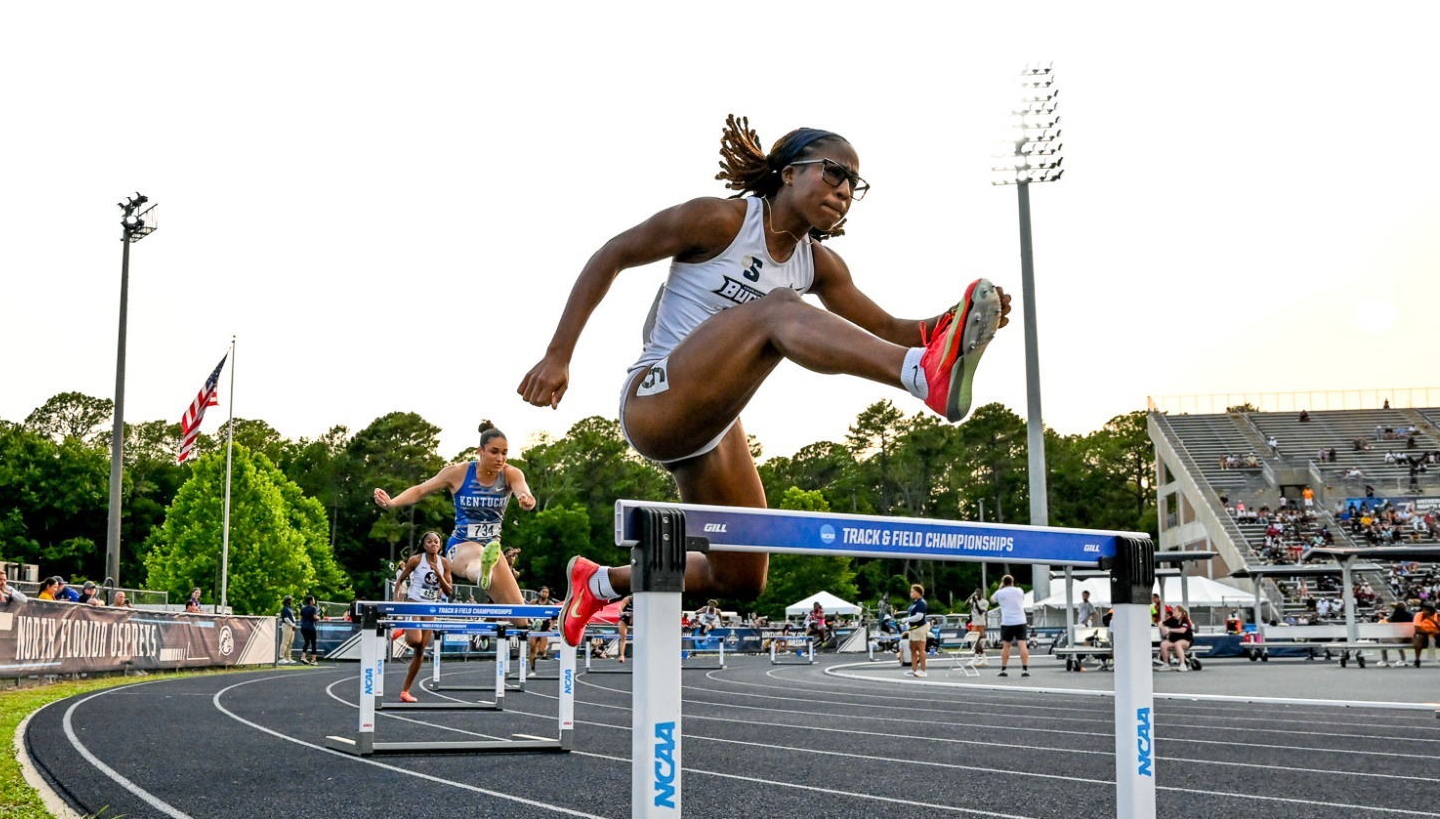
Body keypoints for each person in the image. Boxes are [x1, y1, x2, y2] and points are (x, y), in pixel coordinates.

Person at [519, 117, 1011, 644]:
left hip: (714, 429)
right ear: (790, 171)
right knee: (778, 309)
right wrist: (557, 354)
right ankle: (920, 375)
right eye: (834, 172)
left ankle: (597, 582)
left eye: (854, 184)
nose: (844, 190)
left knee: (741, 577)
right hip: (655, 398)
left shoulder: (818, 264)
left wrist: (963, 319)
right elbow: (612, 254)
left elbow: (890, 329)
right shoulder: (719, 220)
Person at [372, 421, 537, 606]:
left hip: (493, 550)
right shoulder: (458, 473)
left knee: (519, 614)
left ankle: (488, 573)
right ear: (480, 451)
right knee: (478, 556)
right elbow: (420, 490)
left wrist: (526, 499)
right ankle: (483, 572)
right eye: (494, 451)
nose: (500, 458)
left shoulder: (510, 474)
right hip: (460, 547)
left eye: (504, 453)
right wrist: (392, 502)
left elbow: (523, 491)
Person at [392, 531, 456, 702]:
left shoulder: (444, 564)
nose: (433, 544)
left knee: (420, 650)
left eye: (436, 541)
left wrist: (439, 575)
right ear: (424, 544)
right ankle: (405, 627)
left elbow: (449, 591)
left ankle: (405, 691)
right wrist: (396, 600)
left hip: (431, 608)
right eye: (429, 541)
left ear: (440, 544)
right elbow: (400, 580)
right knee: (413, 641)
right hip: (415, 602)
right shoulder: (416, 560)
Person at [992, 575, 1030, 677]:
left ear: (1003, 582)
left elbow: (992, 600)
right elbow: (1022, 598)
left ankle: (1004, 669)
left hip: (1007, 622)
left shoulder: (1000, 593)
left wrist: (1000, 588)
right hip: (1020, 621)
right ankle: (1025, 669)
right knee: (1022, 645)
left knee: (1006, 647)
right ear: (1012, 581)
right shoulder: (1019, 591)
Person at [904, 584, 931, 678]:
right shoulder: (914, 603)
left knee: (921, 649)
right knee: (913, 649)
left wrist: (907, 620)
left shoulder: (921, 603)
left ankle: (923, 670)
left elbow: (919, 616)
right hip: (912, 629)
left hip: (919, 628)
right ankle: (913, 668)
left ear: (918, 592)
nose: (911, 593)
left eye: (912, 591)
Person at [1159, 605, 1195, 670]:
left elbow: (1182, 630)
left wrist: (1170, 630)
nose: (1173, 611)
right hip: (1174, 640)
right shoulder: (1172, 619)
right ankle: (1166, 665)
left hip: (1186, 640)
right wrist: (1163, 628)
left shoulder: (1185, 620)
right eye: (1173, 610)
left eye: (1175, 610)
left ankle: (1183, 665)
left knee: (1178, 644)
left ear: (1180, 612)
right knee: (1163, 644)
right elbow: (1161, 623)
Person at [1415, 600, 1439, 669]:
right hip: (1423, 635)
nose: (1425, 611)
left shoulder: (1436, 615)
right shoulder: (1419, 615)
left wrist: (1433, 621)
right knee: (1419, 637)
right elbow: (1417, 629)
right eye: (1424, 609)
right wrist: (1429, 632)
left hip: (1435, 635)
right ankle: (1417, 660)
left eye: (1427, 610)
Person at [299, 594, 321, 664]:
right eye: (313, 599)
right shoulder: (314, 608)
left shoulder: (303, 608)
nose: (314, 601)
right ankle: (313, 660)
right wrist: (319, 618)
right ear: (311, 601)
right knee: (313, 643)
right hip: (311, 627)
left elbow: (300, 618)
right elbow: (315, 617)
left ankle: (303, 656)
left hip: (303, 627)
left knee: (306, 642)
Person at [278, 596, 299, 664]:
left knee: (290, 643)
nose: (291, 601)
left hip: (291, 626)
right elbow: (286, 619)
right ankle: (281, 657)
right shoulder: (285, 609)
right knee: (285, 642)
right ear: (287, 601)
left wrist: (294, 624)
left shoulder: (289, 608)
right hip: (287, 626)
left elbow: (292, 617)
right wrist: (293, 625)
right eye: (290, 600)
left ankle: (288, 657)